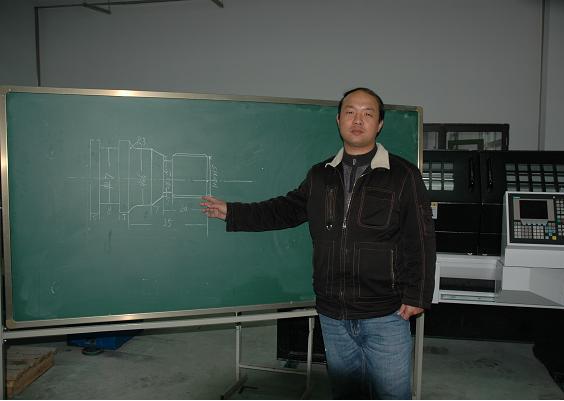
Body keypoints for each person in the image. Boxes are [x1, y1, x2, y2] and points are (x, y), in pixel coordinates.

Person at [201, 87, 436, 399]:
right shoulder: (320, 175)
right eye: (350, 112)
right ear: (339, 120)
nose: (358, 120)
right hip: (333, 314)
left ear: (379, 124)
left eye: (368, 114)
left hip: (385, 314)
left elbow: (420, 237)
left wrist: (418, 294)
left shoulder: (403, 175)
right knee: (346, 394)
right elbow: (283, 210)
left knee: (392, 394)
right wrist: (233, 211)